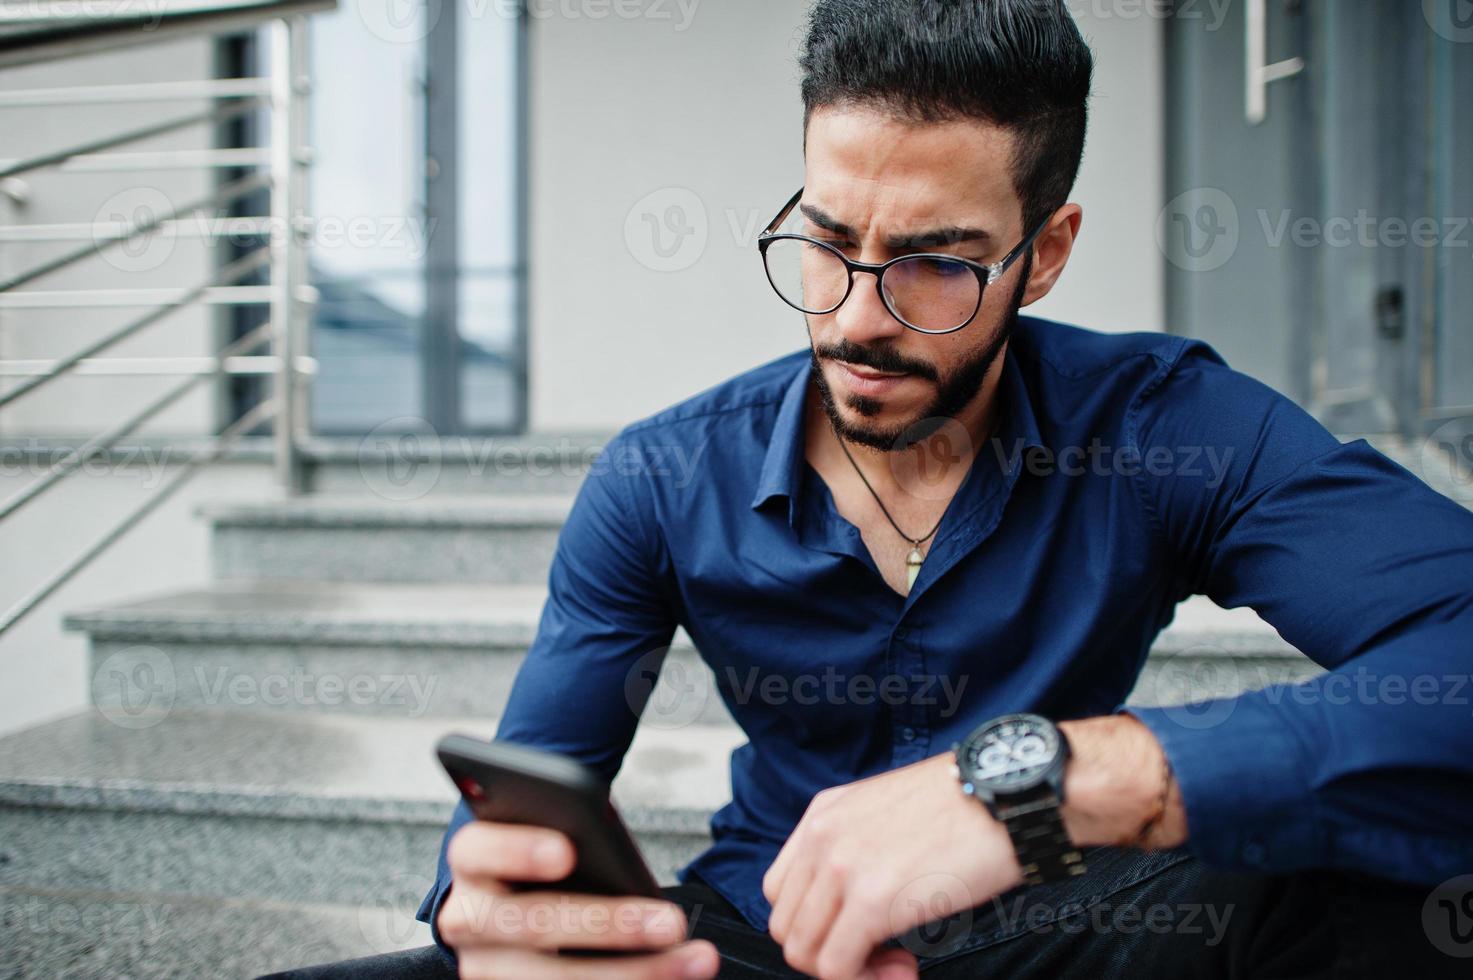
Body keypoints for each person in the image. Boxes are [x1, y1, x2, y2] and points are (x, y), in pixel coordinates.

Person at [270, 1, 1473, 977]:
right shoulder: (658, 475)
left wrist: (1061, 780)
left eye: (936, 265)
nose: (854, 319)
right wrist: (502, 909)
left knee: (1383, 867)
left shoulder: (1169, 426)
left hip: (1065, 923)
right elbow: (532, 792)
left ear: (1042, 252)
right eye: (829, 239)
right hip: (754, 940)